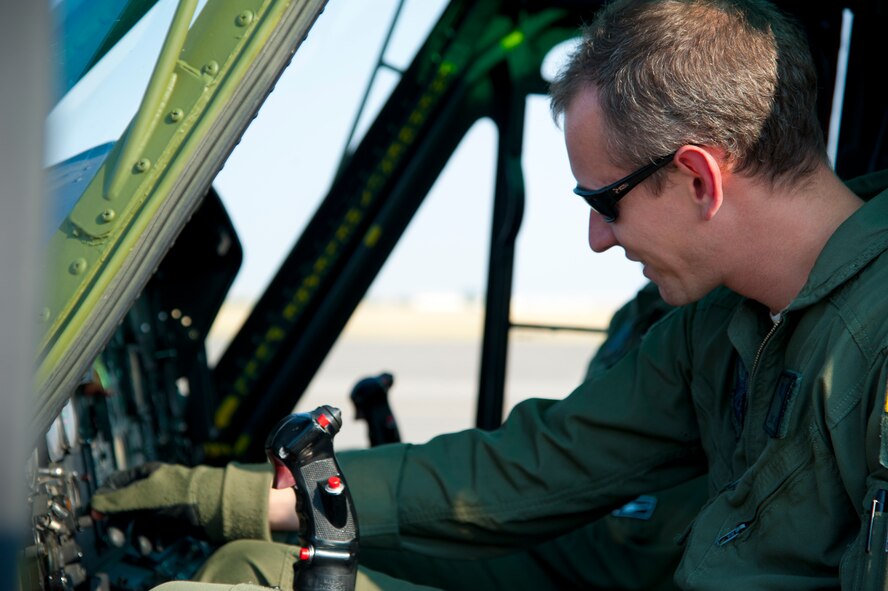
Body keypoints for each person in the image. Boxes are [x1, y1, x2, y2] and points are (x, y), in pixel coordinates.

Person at [94, 0, 888, 588]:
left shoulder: (873, 345)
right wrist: (230, 499)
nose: (599, 239)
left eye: (604, 202)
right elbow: (536, 467)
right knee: (248, 566)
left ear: (697, 178)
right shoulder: (719, 326)